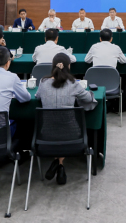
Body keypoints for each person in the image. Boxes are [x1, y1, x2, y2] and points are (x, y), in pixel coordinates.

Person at [36, 53, 98, 185]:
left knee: (55, 130)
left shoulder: (43, 82)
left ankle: (58, 163)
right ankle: (60, 165)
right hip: (73, 135)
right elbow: (89, 99)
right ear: (69, 66)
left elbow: (37, 97)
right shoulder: (73, 84)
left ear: (53, 66)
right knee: (64, 130)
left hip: (46, 135)